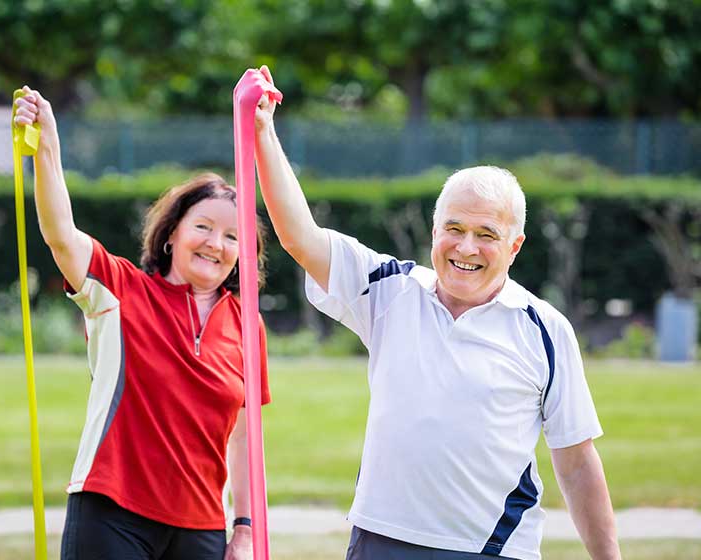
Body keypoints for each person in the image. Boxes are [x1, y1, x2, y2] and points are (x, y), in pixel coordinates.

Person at [247, 66, 621, 560]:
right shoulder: (388, 289)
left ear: (515, 246)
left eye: (486, 234)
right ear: (434, 229)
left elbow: (575, 463)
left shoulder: (545, 329)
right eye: (454, 227)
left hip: (490, 549)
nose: (466, 246)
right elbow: (300, 236)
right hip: (380, 539)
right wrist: (263, 132)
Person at [14, 86, 270, 560]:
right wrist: (47, 145)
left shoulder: (247, 324)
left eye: (233, 236)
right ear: (172, 233)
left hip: (201, 529)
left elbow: (243, 435)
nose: (216, 243)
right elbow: (61, 237)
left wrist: (245, 528)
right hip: (112, 510)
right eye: (203, 227)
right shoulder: (121, 289)